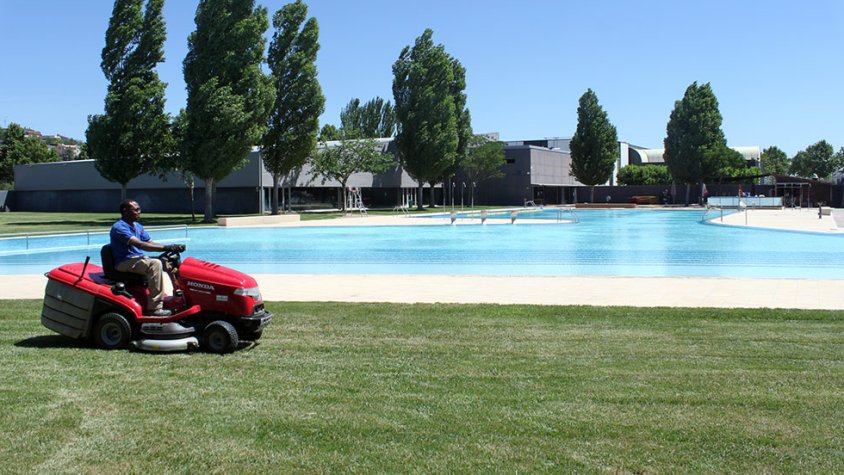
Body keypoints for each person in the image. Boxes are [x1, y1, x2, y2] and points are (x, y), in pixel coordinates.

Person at [110, 199, 184, 317]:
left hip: (137, 259)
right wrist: (167, 247)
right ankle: (154, 308)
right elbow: (141, 245)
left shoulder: (138, 226)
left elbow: (150, 243)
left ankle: (180, 296)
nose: (139, 212)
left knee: (167, 260)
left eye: (139, 209)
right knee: (154, 264)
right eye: (136, 210)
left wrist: (171, 249)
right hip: (124, 261)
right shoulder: (119, 227)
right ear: (125, 211)